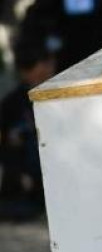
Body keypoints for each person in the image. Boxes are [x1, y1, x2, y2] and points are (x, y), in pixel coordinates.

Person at [0, 40, 55, 220]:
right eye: (43, 64)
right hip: (25, 184)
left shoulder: (57, 98)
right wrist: (19, 177)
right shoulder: (11, 104)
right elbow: (7, 146)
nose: (49, 69)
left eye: (49, 63)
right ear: (25, 71)